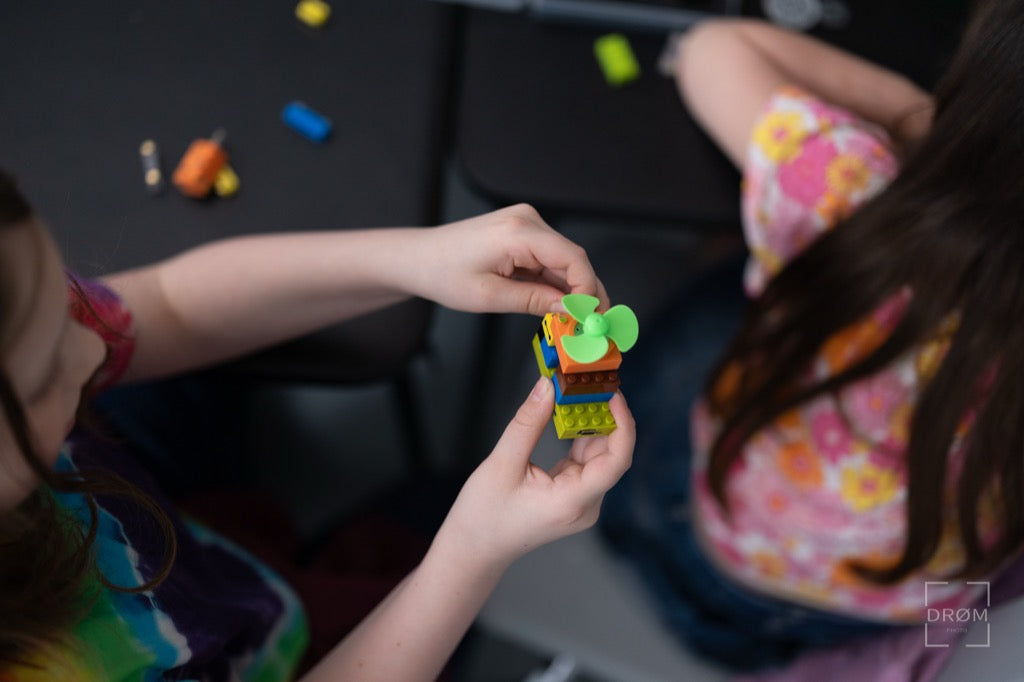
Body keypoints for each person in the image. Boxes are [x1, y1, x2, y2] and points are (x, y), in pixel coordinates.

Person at [0, 173, 635, 681]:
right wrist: (473, 551)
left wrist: (417, 257)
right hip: (268, 649)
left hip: (171, 542)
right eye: (44, 371)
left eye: (65, 307)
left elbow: (165, 302)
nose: (89, 353)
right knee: (433, 511)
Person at [601, 0, 1024, 673]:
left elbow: (714, 48)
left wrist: (928, 121)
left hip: (708, 549)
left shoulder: (850, 186)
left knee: (724, 303)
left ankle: (629, 531)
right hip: (886, 602)